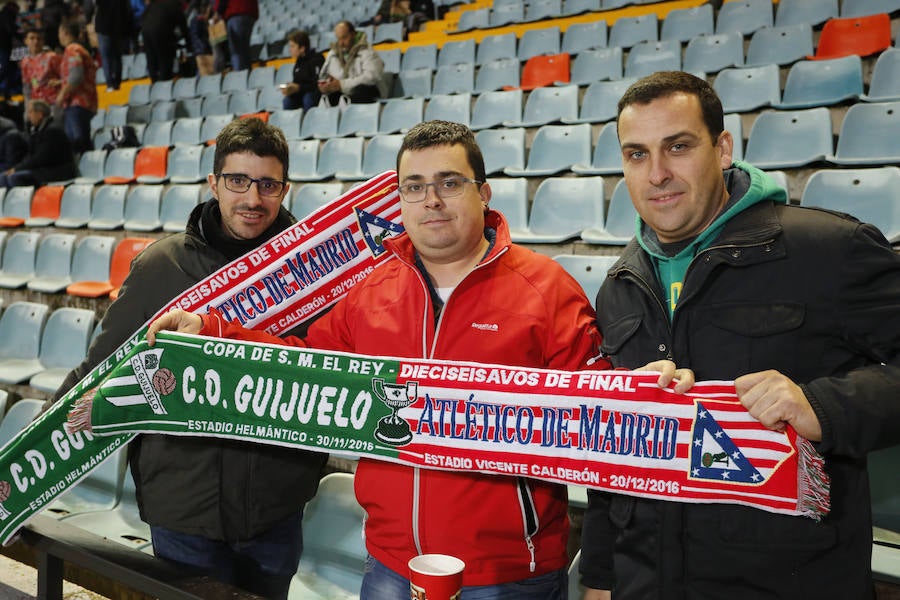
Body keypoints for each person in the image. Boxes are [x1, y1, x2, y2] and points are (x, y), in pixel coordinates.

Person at [148, 120, 692, 599]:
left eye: (449, 183)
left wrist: (642, 391)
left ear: (484, 193)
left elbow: (597, 405)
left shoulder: (546, 289)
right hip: (389, 564)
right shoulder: (369, 291)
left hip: (506, 574)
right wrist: (213, 331)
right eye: (415, 187)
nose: (431, 200)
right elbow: (305, 368)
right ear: (401, 201)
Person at [579, 71, 900, 600]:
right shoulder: (620, 285)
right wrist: (599, 577)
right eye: (636, 154)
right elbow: (616, 455)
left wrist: (822, 406)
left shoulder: (828, 248)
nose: (656, 173)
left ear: (723, 148)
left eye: (677, 147)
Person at [51, 117, 328, 600]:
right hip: (183, 503)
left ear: (285, 189)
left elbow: (326, 364)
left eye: (267, 185)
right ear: (213, 183)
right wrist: (29, 457)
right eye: (237, 181)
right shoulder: (162, 265)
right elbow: (100, 365)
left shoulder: (314, 272)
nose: (252, 199)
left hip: (275, 502)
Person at [0, 99, 76, 187]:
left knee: (15, 177)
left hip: (59, 171)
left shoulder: (52, 130)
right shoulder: (38, 130)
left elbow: (41, 157)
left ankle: (27, 200)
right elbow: (30, 155)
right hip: (45, 169)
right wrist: (16, 168)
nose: (28, 116)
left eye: (30, 112)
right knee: (4, 177)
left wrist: (17, 169)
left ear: (40, 114)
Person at [318, 20, 384, 106]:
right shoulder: (333, 54)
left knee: (362, 90)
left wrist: (342, 84)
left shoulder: (367, 51)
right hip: (345, 91)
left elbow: (371, 77)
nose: (341, 43)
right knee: (324, 96)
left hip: (368, 90)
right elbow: (324, 75)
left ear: (353, 34)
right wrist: (327, 85)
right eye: (338, 39)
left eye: (344, 38)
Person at [56, 20, 96, 154]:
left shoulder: (72, 49)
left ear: (64, 33)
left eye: (59, 32)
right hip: (85, 103)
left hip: (77, 103)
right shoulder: (81, 49)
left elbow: (76, 76)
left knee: (79, 145)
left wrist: (62, 94)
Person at [84, 0, 134, 91]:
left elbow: (90, 7)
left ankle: (109, 84)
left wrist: (88, 20)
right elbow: (127, 10)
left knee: (105, 57)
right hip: (118, 26)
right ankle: (117, 83)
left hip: (103, 27)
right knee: (117, 56)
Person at [140, 0, 188, 82]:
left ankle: (154, 84)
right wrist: (188, 43)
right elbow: (183, 25)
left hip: (146, 31)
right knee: (165, 61)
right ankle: (164, 85)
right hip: (161, 32)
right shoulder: (174, 4)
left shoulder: (154, 4)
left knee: (151, 60)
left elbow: (142, 17)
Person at [280, 29, 322, 111]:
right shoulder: (299, 61)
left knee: (308, 98)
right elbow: (297, 83)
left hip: (315, 93)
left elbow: (318, 84)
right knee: (287, 100)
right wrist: (290, 88)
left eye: (292, 46)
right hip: (302, 93)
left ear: (302, 48)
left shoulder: (317, 59)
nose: (290, 50)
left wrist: (299, 87)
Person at [19, 28, 61, 107]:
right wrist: (28, 107)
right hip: (37, 104)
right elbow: (27, 86)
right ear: (26, 41)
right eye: (32, 38)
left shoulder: (52, 57)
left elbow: (66, 77)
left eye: (39, 38)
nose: (36, 41)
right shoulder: (25, 62)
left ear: (43, 41)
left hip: (54, 102)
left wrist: (58, 82)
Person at [214, 0, 257, 71]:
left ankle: (240, 77)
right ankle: (247, 76)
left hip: (236, 12)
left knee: (237, 52)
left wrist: (217, 12)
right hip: (249, 12)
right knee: (244, 51)